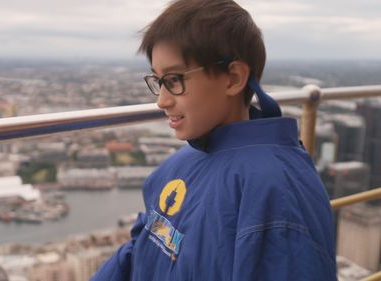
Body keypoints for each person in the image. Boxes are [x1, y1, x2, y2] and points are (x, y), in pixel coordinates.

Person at [91, 0, 337, 280]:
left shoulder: (277, 195)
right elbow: (141, 250)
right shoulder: (181, 162)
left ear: (233, 78)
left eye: (173, 80)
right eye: (158, 81)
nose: (161, 100)